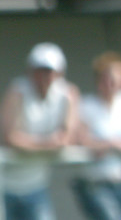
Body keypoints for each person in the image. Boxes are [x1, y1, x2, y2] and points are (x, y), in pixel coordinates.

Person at [1, 42, 79, 220]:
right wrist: (49, 143)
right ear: (30, 71)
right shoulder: (17, 91)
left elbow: (67, 139)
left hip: (37, 185)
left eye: (49, 71)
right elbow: (10, 138)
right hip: (4, 185)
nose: (44, 77)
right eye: (39, 70)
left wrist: (29, 144)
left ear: (60, 73)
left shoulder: (67, 94)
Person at [72, 52, 121, 220]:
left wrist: (106, 145)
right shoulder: (86, 104)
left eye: (115, 78)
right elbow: (81, 141)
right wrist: (113, 144)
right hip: (95, 183)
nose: (110, 83)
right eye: (105, 78)